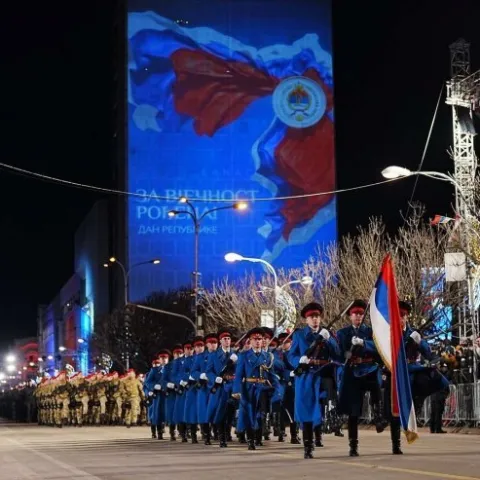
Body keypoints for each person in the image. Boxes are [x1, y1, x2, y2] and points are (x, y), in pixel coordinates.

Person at [288, 302, 340, 459]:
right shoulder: (299, 335)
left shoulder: (327, 333)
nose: (315, 319)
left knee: (325, 404)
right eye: (311, 317)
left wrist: (329, 339)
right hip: (306, 376)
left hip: (323, 374)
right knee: (307, 412)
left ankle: (332, 421)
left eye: (317, 316)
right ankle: (308, 446)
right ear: (306, 320)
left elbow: (337, 355)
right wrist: (300, 360)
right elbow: (290, 356)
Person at [336, 299, 387, 457]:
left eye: (360, 314)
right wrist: (347, 353)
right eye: (354, 314)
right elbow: (339, 353)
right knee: (353, 412)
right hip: (352, 372)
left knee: (375, 386)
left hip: (368, 368)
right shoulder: (342, 333)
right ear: (350, 316)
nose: (358, 316)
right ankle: (353, 445)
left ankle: (378, 417)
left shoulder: (370, 331)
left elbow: (378, 347)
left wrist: (364, 343)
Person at [232, 327, 280, 451]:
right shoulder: (244, 356)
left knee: (261, 414)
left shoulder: (267, 356)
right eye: (255, 339)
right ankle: (250, 440)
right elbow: (239, 375)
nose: (258, 341)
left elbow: (272, 374)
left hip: (263, 388)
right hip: (249, 388)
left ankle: (258, 438)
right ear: (250, 341)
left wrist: (277, 388)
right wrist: (236, 390)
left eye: (260, 339)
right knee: (249, 414)